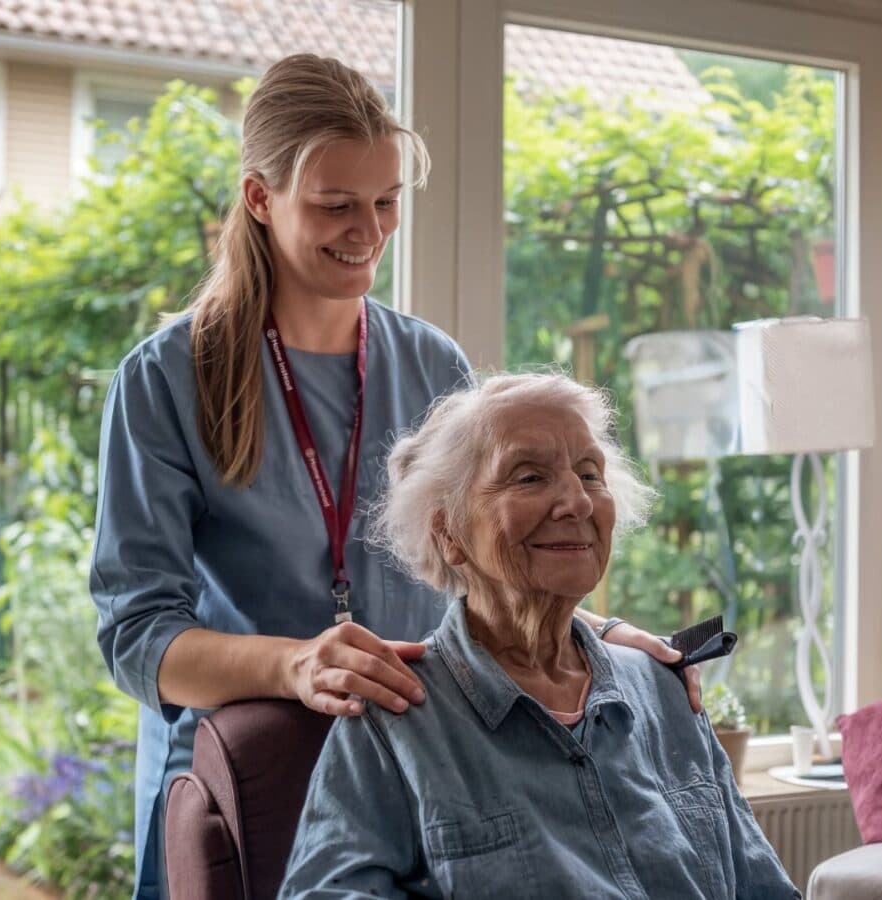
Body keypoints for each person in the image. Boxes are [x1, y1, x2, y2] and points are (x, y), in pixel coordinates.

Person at [89, 54, 700, 899]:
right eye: (336, 205)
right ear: (260, 198)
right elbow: (138, 640)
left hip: (428, 769)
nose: (368, 231)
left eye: (385, 202)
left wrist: (598, 639)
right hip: (249, 784)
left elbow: (480, 562)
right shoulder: (164, 378)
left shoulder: (428, 360)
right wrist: (297, 665)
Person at [282, 372, 799, 900]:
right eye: (529, 478)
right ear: (448, 534)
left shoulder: (666, 690)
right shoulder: (397, 715)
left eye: (590, 473)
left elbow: (763, 888)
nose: (577, 501)